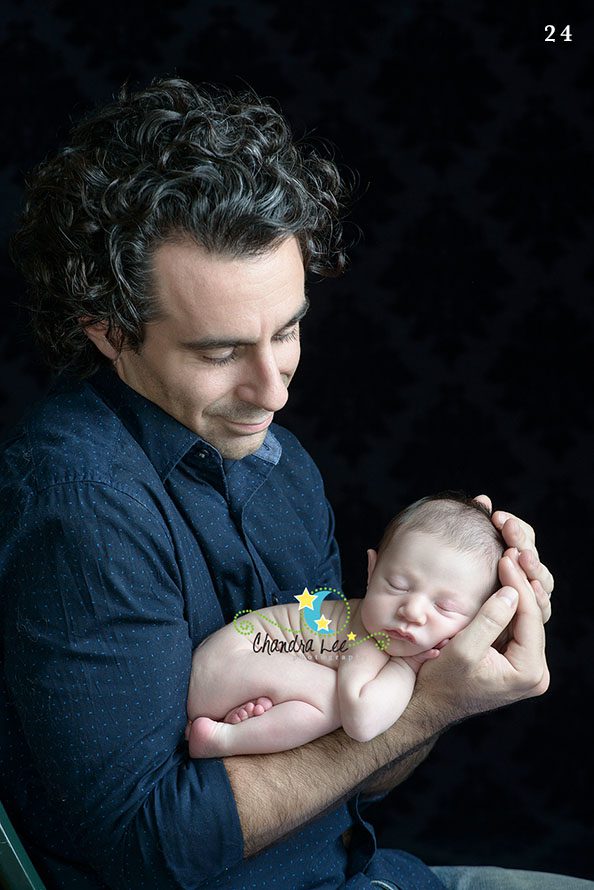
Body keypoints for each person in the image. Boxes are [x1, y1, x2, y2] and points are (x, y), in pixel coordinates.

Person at [0, 76, 586, 890]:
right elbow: (147, 848)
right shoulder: (77, 500)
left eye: (289, 329)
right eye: (219, 352)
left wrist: (441, 652)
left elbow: (365, 767)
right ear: (108, 329)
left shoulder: (281, 466)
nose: (273, 389)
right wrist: (432, 705)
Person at [186, 493, 504, 758]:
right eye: (397, 585)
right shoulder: (365, 635)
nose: (413, 611)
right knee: (332, 701)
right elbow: (363, 723)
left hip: (234, 672)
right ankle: (220, 739)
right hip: (226, 664)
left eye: (444, 606)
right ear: (372, 570)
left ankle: (251, 719)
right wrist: (408, 666)